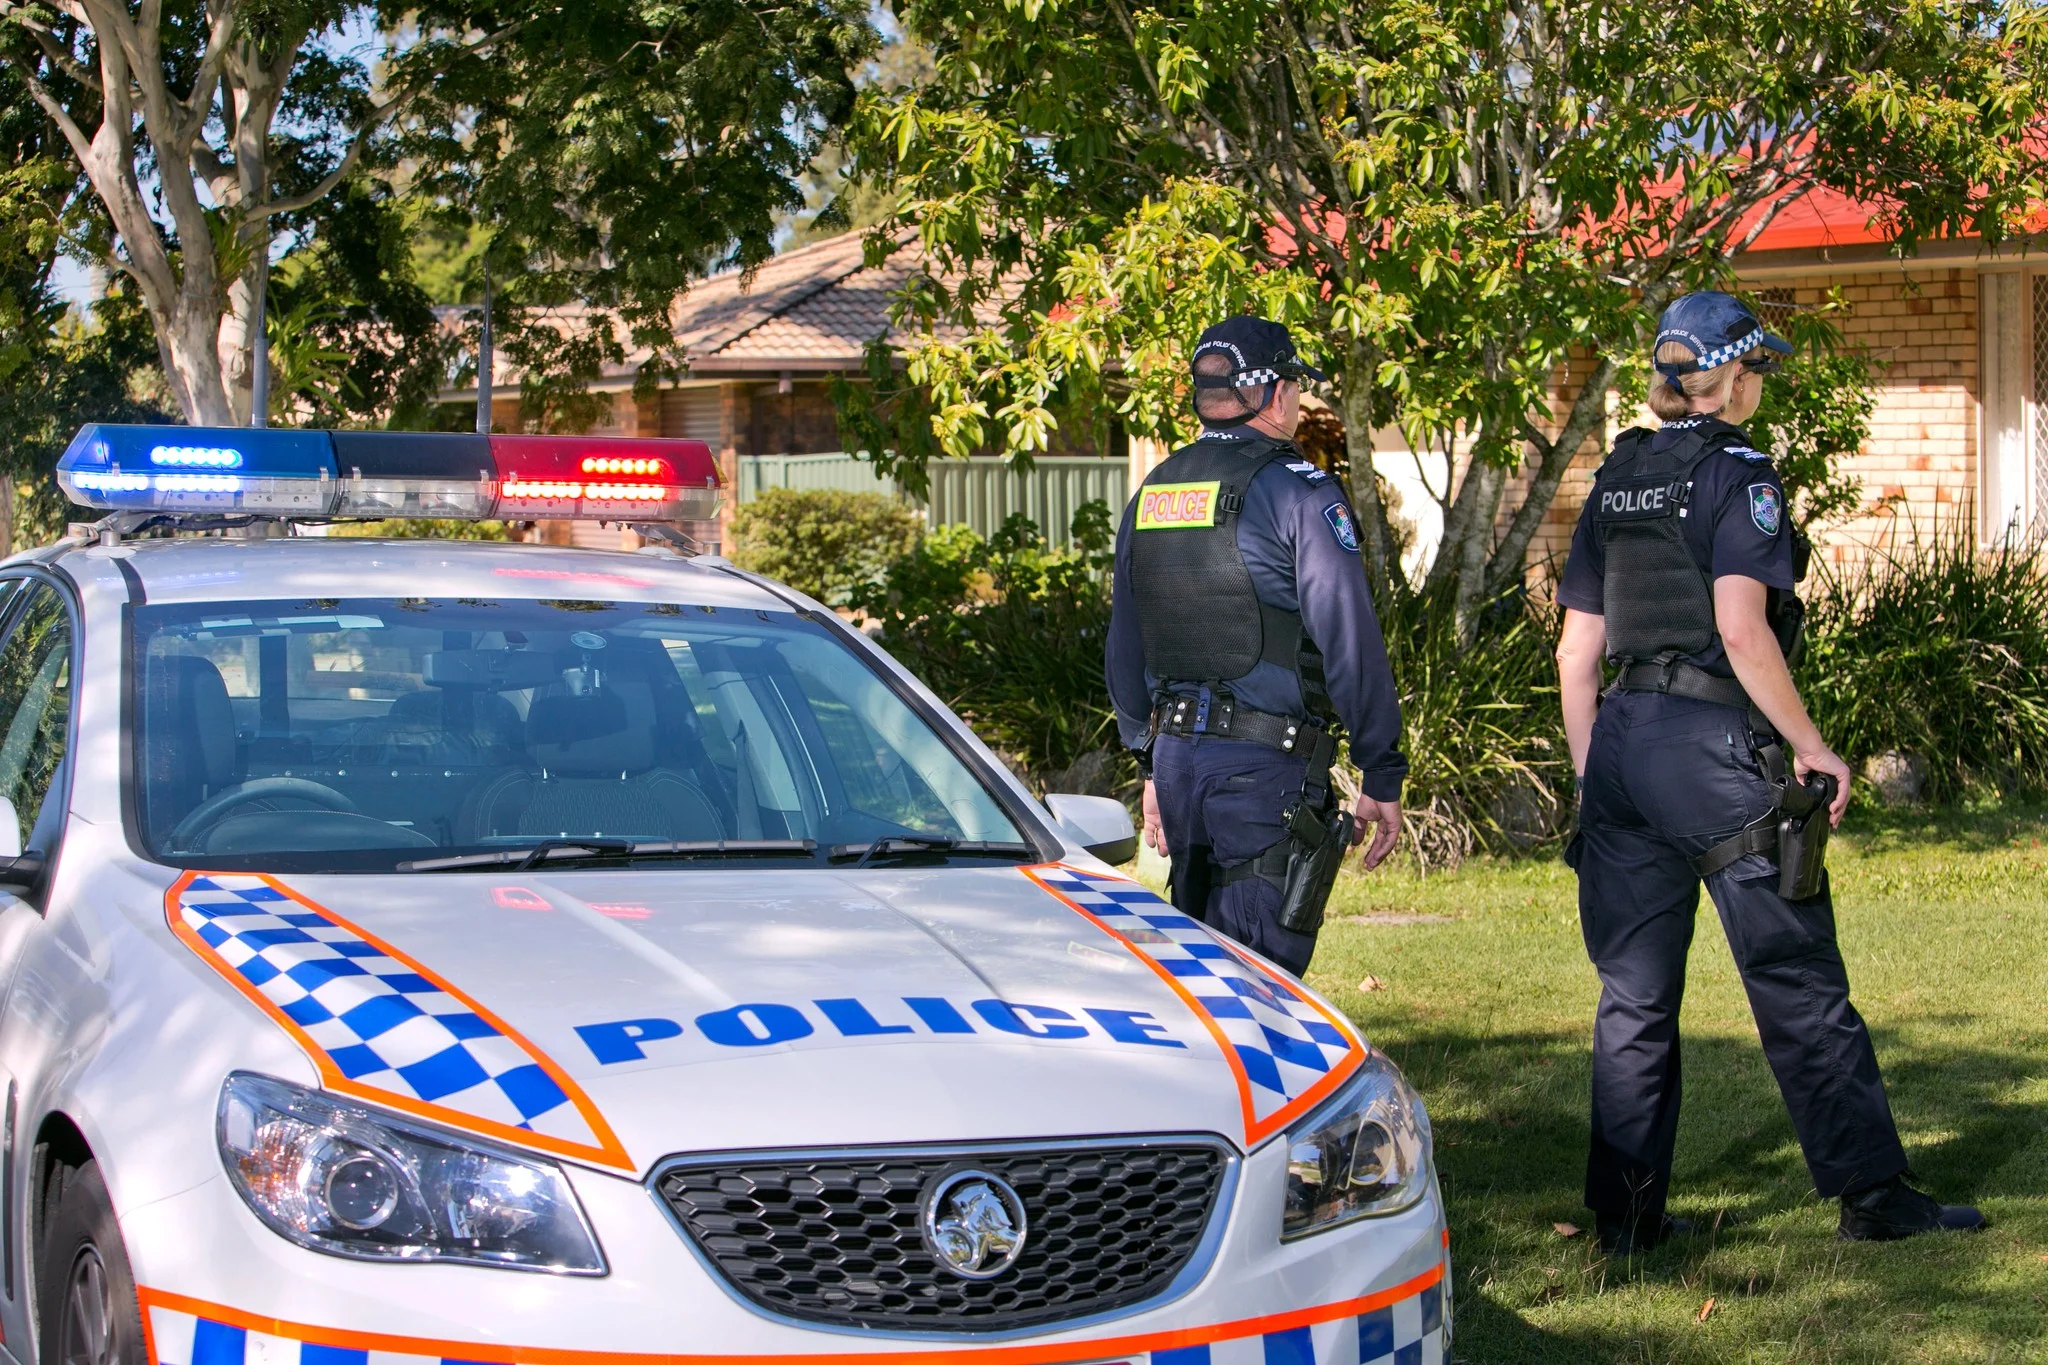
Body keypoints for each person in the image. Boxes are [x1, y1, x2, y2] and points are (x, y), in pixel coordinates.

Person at [1553, 291, 1986, 1251]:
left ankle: (1625, 1221)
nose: (1757, 390)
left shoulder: (1616, 475)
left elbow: (1575, 655)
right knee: (1793, 974)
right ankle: (1875, 1198)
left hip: (1620, 745)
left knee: (1633, 997)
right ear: (1735, 377)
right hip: (1708, 750)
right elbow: (1742, 629)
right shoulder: (1739, 470)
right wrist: (1815, 746)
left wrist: (1597, 782)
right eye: (1756, 373)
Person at [1105, 316, 1405, 976]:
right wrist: (1382, 770)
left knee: (1202, 985)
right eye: (1297, 384)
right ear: (1276, 394)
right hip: (1264, 775)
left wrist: (1151, 765)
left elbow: (1125, 652)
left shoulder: (1153, 491)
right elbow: (1348, 640)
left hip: (1180, 770)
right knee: (1261, 997)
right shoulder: (1299, 491)